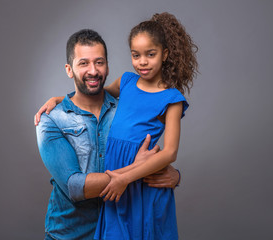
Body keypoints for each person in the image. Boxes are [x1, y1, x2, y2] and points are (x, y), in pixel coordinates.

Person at [35, 29, 181, 240]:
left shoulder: (124, 111)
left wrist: (173, 175)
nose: (93, 71)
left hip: (122, 226)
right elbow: (74, 186)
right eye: (83, 63)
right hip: (72, 233)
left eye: (99, 62)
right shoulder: (51, 119)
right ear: (69, 69)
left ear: (107, 66)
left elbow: (161, 154)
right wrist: (135, 170)